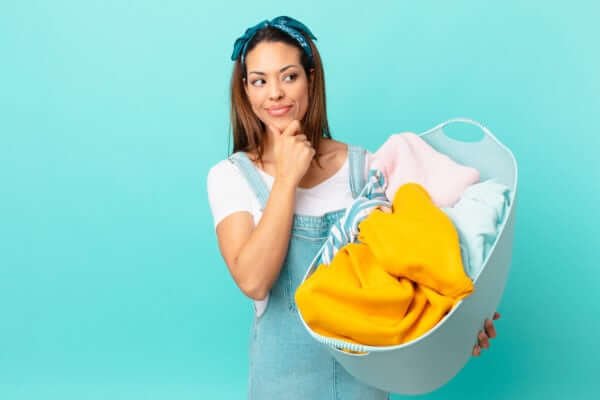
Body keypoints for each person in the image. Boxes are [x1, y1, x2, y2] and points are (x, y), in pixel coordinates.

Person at [207, 16, 500, 400]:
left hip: (366, 389)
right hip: (282, 388)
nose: (275, 93)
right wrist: (286, 180)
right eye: (259, 80)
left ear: (311, 78)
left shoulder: (369, 169)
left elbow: (420, 265)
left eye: (289, 76)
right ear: (245, 90)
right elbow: (254, 280)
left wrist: (459, 325)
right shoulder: (230, 177)